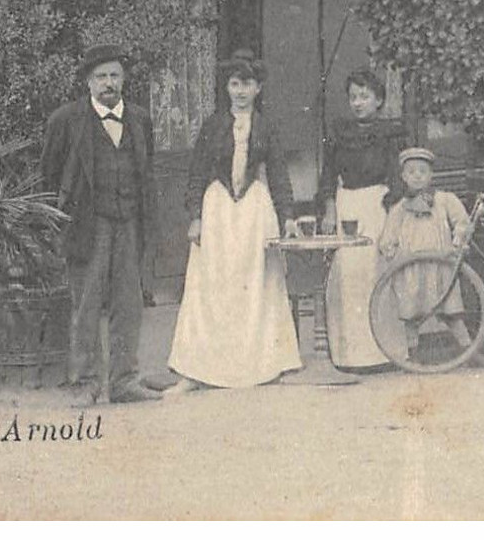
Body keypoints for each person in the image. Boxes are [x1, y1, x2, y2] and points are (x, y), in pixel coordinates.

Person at [161, 51, 300, 391]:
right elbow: (196, 174)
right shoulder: (213, 125)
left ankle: (263, 366)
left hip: (253, 212)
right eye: (234, 84)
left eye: (247, 84)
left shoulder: (267, 126)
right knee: (211, 288)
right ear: (226, 87)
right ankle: (197, 372)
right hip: (219, 211)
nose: (240, 91)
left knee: (256, 286)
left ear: (258, 88)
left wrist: (288, 217)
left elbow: (279, 174)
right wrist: (195, 217)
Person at [41, 44, 161, 404]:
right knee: (86, 304)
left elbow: (146, 170)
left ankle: (124, 381)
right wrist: (59, 221)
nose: (108, 83)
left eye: (114, 75)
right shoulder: (65, 121)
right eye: (101, 77)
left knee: (129, 302)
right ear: (88, 82)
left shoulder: (139, 119)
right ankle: (85, 383)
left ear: (124, 79)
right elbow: (49, 175)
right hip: (86, 225)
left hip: (129, 223)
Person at [376, 147, 484, 368]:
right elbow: (388, 236)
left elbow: (462, 222)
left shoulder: (444, 200)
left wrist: (459, 239)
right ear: (403, 177)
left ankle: (469, 351)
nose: (417, 176)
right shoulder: (399, 208)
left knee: (451, 312)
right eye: (411, 172)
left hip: (441, 266)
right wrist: (389, 250)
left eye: (422, 171)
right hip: (410, 268)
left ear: (431, 175)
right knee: (411, 314)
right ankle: (413, 355)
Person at [320, 70, 406, 370]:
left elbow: (397, 180)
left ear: (378, 100)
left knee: (377, 274)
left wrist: (393, 218)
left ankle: (383, 353)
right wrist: (330, 209)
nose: (358, 103)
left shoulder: (389, 134)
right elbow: (328, 176)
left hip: (377, 206)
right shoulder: (340, 133)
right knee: (348, 276)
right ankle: (351, 356)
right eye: (353, 97)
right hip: (348, 206)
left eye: (364, 97)